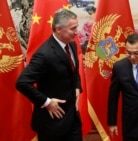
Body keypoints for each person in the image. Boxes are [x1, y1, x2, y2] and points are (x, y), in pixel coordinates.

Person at [16, 8, 83, 141]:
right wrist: (46, 102)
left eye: (77, 27)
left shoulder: (72, 45)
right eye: (73, 28)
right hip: (52, 123)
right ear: (58, 29)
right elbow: (22, 83)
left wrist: (77, 87)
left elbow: (73, 71)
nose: (76, 32)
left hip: (72, 119)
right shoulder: (44, 54)